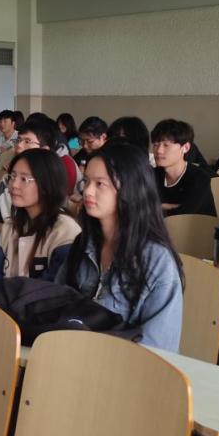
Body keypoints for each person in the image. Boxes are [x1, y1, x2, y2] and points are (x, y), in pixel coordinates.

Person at [59, 142, 183, 351]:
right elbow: (56, 305)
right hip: (71, 354)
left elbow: (159, 348)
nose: (87, 191)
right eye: (86, 181)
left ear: (129, 189)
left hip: (124, 365)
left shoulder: (156, 260)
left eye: (100, 184)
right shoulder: (84, 243)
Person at [0, 148, 80, 287]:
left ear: (47, 183)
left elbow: (53, 290)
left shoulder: (65, 232)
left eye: (24, 179)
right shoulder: (11, 227)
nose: (14, 185)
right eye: (12, 176)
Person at [0, 117, 65, 222]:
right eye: (18, 140)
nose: (19, 145)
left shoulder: (53, 183)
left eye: (27, 141)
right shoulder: (5, 183)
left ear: (44, 150)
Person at [150, 119, 215, 217]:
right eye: (155, 144)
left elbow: (182, 216)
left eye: (166, 145)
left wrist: (157, 207)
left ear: (185, 148)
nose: (159, 150)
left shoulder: (199, 178)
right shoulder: (151, 175)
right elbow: (138, 209)